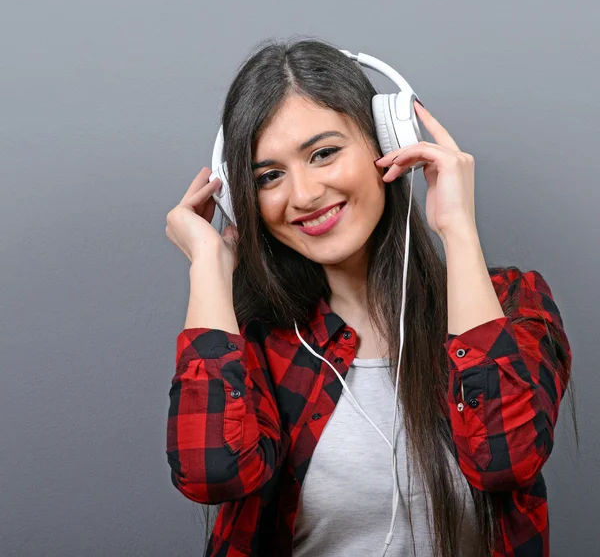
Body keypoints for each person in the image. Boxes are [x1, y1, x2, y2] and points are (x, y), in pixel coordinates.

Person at [164, 38, 575, 557]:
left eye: (324, 153)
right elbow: (210, 475)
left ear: (388, 142)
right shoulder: (254, 345)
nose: (305, 194)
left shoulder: (513, 303)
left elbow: (505, 459)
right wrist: (209, 267)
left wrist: (458, 229)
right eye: (269, 176)